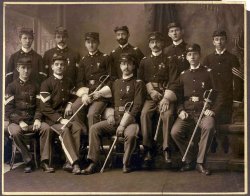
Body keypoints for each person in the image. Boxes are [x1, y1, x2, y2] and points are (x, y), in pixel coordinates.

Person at [81, 53, 146, 174]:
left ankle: (126, 163)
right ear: (120, 66)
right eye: (123, 64)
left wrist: (123, 125)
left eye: (129, 64)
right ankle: (93, 162)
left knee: (131, 135)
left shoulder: (138, 83)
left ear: (133, 66)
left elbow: (136, 107)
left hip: (130, 122)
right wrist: (110, 115)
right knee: (94, 129)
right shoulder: (115, 83)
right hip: (115, 119)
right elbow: (109, 103)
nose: (125, 67)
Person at [171, 43, 222, 176]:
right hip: (187, 112)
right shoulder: (183, 75)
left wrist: (213, 110)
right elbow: (179, 96)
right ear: (186, 57)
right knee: (175, 132)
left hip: (204, 111)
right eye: (189, 54)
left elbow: (219, 94)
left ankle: (200, 162)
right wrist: (180, 110)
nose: (192, 57)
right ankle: (189, 159)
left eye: (195, 54)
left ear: (199, 55)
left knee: (209, 126)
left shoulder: (208, 72)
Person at [5, 56, 54, 173]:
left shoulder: (36, 85)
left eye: (28, 68)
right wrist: (20, 121)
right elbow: (8, 110)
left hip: (33, 121)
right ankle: (28, 160)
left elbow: (39, 106)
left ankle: (44, 161)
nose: (26, 71)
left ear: (31, 69)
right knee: (15, 132)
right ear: (18, 69)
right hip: (17, 122)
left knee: (46, 128)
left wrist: (37, 119)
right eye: (23, 68)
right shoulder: (11, 86)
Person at [138, 32, 179, 168]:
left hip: (166, 95)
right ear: (149, 45)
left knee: (167, 115)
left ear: (162, 43)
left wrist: (166, 97)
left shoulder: (170, 59)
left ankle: (166, 150)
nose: (155, 45)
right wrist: (150, 90)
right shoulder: (144, 61)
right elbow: (140, 80)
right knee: (145, 114)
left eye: (157, 42)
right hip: (151, 97)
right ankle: (148, 149)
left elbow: (174, 80)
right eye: (152, 42)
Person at [40, 54, 82, 175]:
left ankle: (68, 162)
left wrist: (69, 103)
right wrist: (59, 119)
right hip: (51, 119)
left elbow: (74, 95)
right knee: (65, 130)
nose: (60, 67)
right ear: (52, 67)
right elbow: (44, 108)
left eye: (62, 65)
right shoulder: (46, 83)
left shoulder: (68, 81)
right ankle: (74, 163)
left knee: (77, 128)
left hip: (66, 118)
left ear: (65, 66)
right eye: (57, 65)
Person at [73, 32, 112, 131]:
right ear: (85, 44)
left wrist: (101, 93)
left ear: (98, 43)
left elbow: (112, 79)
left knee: (92, 114)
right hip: (87, 93)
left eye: (93, 42)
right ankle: (84, 136)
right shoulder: (83, 60)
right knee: (75, 107)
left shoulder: (106, 58)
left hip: (100, 95)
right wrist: (84, 95)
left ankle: (93, 142)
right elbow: (80, 81)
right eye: (88, 42)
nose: (91, 45)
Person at [203, 30, 244, 124]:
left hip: (228, 99)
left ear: (226, 41)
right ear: (213, 42)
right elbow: (205, 80)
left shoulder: (232, 58)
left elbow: (238, 81)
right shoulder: (208, 59)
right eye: (216, 39)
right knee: (210, 124)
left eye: (222, 39)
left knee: (224, 126)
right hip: (212, 98)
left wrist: (237, 99)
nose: (219, 42)